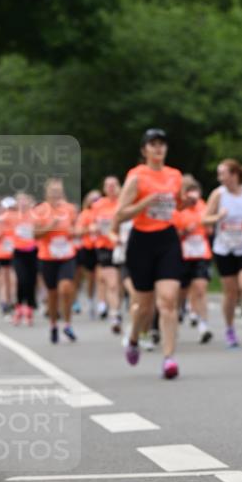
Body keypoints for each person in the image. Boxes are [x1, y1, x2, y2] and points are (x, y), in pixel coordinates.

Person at [112, 128, 183, 378]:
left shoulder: (175, 175)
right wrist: (146, 202)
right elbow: (120, 214)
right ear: (144, 151)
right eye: (152, 145)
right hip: (141, 241)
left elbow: (179, 201)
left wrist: (187, 203)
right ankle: (133, 338)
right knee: (144, 306)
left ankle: (169, 358)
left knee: (168, 300)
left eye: (162, 144)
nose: (158, 148)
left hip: (168, 239)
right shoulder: (137, 177)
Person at [203, 158, 242, 348]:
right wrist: (218, 217)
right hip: (225, 248)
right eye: (219, 174)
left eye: (223, 173)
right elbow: (205, 219)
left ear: (234, 174)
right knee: (230, 293)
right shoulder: (218, 195)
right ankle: (229, 329)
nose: (220, 178)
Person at [33, 178, 79, 343]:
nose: (56, 194)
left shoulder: (70, 209)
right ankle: (53, 324)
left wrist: (75, 231)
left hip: (67, 255)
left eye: (59, 191)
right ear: (46, 194)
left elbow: (77, 228)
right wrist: (50, 226)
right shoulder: (40, 210)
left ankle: (67, 324)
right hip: (48, 256)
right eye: (53, 191)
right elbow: (35, 234)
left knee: (65, 289)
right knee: (52, 294)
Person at [173, 175, 213, 343]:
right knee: (181, 291)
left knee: (200, 288)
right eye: (189, 191)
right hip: (182, 254)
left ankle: (203, 326)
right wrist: (184, 232)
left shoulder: (205, 207)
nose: (192, 195)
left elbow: (210, 229)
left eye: (195, 191)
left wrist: (208, 227)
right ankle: (180, 310)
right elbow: (170, 234)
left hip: (201, 254)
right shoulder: (177, 209)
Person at [92, 178, 124, 333]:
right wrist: (95, 227)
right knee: (112, 283)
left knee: (121, 283)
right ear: (104, 188)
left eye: (114, 185)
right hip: (105, 248)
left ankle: (117, 307)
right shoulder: (98, 205)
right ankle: (115, 314)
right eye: (108, 185)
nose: (111, 188)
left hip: (123, 246)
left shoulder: (124, 202)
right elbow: (89, 224)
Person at [10, 192, 38, 325]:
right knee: (22, 279)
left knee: (31, 281)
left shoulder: (34, 215)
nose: (22, 202)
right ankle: (19, 306)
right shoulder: (11, 216)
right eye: (19, 200)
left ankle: (30, 308)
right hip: (19, 252)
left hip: (33, 252)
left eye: (24, 200)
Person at [74, 190, 100, 319]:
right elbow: (78, 232)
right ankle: (81, 299)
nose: (96, 202)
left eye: (98, 199)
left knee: (99, 277)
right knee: (85, 277)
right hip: (86, 248)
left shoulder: (103, 212)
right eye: (93, 199)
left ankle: (99, 303)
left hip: (101, 247)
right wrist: (89, 229)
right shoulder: (85, 214)